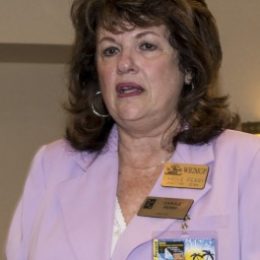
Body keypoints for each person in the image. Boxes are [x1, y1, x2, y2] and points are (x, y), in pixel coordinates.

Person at [6, 0, 260, 259]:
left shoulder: (247, 162)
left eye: (146, 45)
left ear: (188, 68)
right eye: (110, 50)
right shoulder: (53, 165)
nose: (124, 63)